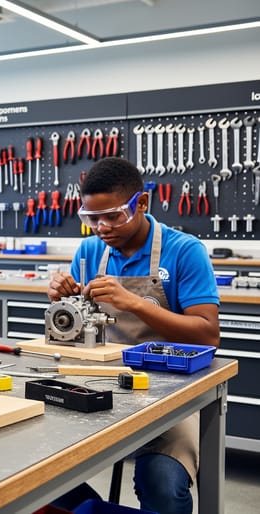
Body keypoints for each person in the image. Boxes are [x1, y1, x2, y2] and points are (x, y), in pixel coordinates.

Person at [47, 157, 219, 514]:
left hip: (169, 392)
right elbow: (76, 332)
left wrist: (138, 305)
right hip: (101, 383)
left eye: (113, 216)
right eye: (92, 218)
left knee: (163, 484)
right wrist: (64, 304)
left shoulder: (185, 251)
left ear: (142, 203)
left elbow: (207, 335)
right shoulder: (90, 251)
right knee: (36, 469)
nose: (102, 228)